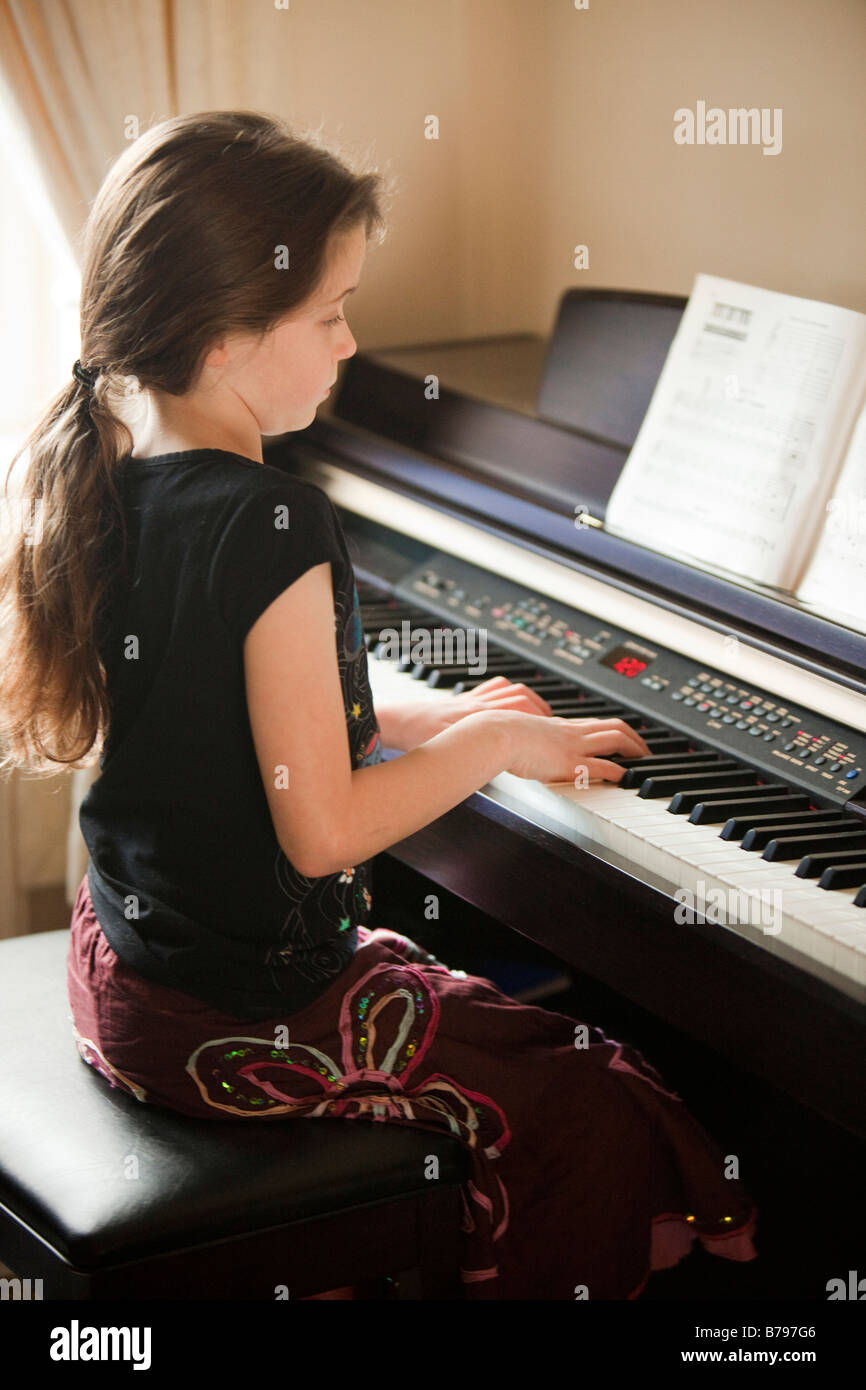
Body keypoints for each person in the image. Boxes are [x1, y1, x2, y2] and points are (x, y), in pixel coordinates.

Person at [0, 109, 757, 1300]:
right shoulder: (273, 520)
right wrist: (499, 738)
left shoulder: (115, 470)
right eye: (330, 312)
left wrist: (432, 724)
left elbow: (234, 717)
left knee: (469, 993)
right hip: (230, 1027)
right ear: (223, 336)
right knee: (594, 1091)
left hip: (128, 981)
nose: (352, 342)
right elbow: (323, 831)